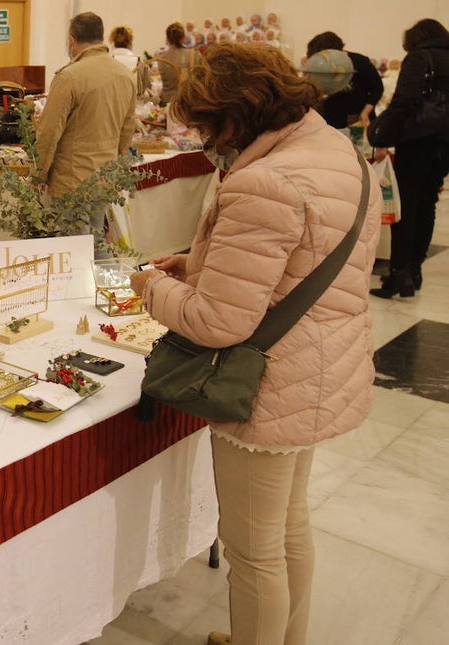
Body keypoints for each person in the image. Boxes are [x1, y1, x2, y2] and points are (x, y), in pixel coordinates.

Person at [129, 43, 380, 645]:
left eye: (208, 124)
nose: (207, 139)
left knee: (255, 551)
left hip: (272, 383)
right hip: (322, 365)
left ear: (235, 116)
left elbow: (219, 322)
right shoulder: (334, 151)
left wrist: (152, 286)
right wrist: (199, 262)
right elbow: (300, 257)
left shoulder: (265, 179)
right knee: (287, 528)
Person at [370, 18, 449, 298]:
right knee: (429, 202)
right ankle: (415, 271)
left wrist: (381, 135)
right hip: (445, 143)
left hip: (417, 140)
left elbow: (405, 101)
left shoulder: (420, 58)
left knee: (407, 205)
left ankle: (398, 275)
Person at [35, 11, 135, 195]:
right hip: (106, 178)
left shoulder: (69, 77)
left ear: (71, 40)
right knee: (97, 225)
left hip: (71, 180)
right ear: (101, 37)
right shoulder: (125, 75)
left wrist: (38, 174)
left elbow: (49, 131)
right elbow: (127, 130)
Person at [305, 31, 383, 129]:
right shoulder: (317, 67)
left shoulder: (360, 62)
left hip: (357, 121)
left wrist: (365, 112)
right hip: (331, 121)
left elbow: (377, 88)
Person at [157, 21, 198, 105]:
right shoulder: (193, 55)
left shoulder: (161, 58)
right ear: (183, 38)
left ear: (167, 39)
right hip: (187, 102)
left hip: (167, 101)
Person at [108, 24, 150, 96]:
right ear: (130, 42)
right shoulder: (139, 62)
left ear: (113, 42)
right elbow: (146, 86)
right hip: (134, 103)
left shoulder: (107, 61)